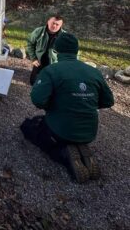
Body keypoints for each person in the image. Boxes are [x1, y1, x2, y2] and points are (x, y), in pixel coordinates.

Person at [21, 33, 114, 183]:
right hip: (89, 132)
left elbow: (37, 100)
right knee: (66, 127)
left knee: (30, 127)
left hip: (61, 128)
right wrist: (84, 102)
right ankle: (79, 145)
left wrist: (52, 106)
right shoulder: (94, 72)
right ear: (77, 51)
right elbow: (108, 101)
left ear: (56, 51)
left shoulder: (51, 71)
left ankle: (64, 153)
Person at [26, 15, 64, 85]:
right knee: (33, 82)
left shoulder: (64, 36)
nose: (54, 26)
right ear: (48, 22)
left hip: (54, 64)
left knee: (51, 84)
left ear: (61, 25)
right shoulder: (38, 31)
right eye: (53, 23)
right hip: (39, 62)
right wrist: (33, 58)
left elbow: (69, 52)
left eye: (57, 24)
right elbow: (30, 43)